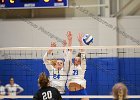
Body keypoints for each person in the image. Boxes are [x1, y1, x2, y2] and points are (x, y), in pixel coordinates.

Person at [67, 33, 88, 100]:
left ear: (80, 61)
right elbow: (69, 53)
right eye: (75, 59)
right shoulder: (70, 66)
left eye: (78, 60)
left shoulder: (82, 67)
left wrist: (80, 42)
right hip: (72, 92)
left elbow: (83, 53)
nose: (76, 60)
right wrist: (70, 41)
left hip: (81, 91)